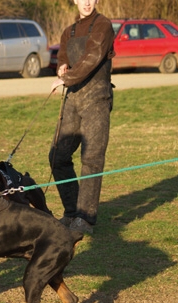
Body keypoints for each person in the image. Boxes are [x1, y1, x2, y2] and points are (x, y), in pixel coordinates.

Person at [48, 0, 115, 234]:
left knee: (92, 157)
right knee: (58, 155)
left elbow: (92, 57)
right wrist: (62, 66)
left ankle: (85, 219)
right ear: (75, 1)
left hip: (97, 97)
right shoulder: (69, 31)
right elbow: (63, 56)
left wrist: (65, 79)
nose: (87, 2)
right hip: (73, 98)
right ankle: (72, 212)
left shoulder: (103, 25)